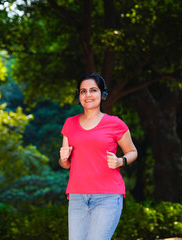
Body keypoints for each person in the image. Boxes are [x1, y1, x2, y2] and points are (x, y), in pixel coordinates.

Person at [59, 73, 138, 240]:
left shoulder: (115, 123)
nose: (88, 95)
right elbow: (65, 164)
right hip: (77, 197)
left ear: (102, 94)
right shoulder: (69, 124)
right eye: (83, 91)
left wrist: (120, 161)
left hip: (107, 196)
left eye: (93, 90)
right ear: (79, 95)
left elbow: (132, 151)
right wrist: (63, 158)